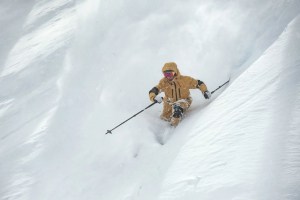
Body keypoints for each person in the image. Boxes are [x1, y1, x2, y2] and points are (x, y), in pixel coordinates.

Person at [149, 62, 211, 126]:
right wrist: (154, 98)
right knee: (164, 119)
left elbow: (199, 83)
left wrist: (205, 91)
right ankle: (164, 131)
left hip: (184, 101)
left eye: (170, 74)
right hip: (169, 104)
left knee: (177, 108)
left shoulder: (184, 80)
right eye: (166, 75)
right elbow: (153, 90)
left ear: (175, 72)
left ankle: (175, 130)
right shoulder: (163, 82)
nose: (168, 77)